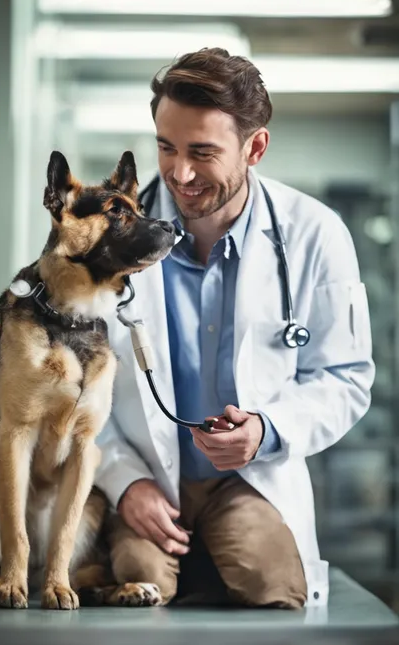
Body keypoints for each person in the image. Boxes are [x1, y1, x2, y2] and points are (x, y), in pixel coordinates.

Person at [94, 47, 375, 609]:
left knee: (275, 588)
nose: (180, 172)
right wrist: (124, 481)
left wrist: (266, 430)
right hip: (144, 470)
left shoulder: (316, 234)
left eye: (203, 152)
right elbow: (71, 385)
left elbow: (344, 377)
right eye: (166, 147)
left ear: (255, 147)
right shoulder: (102, 235)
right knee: (136, 581)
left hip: (252, 477)